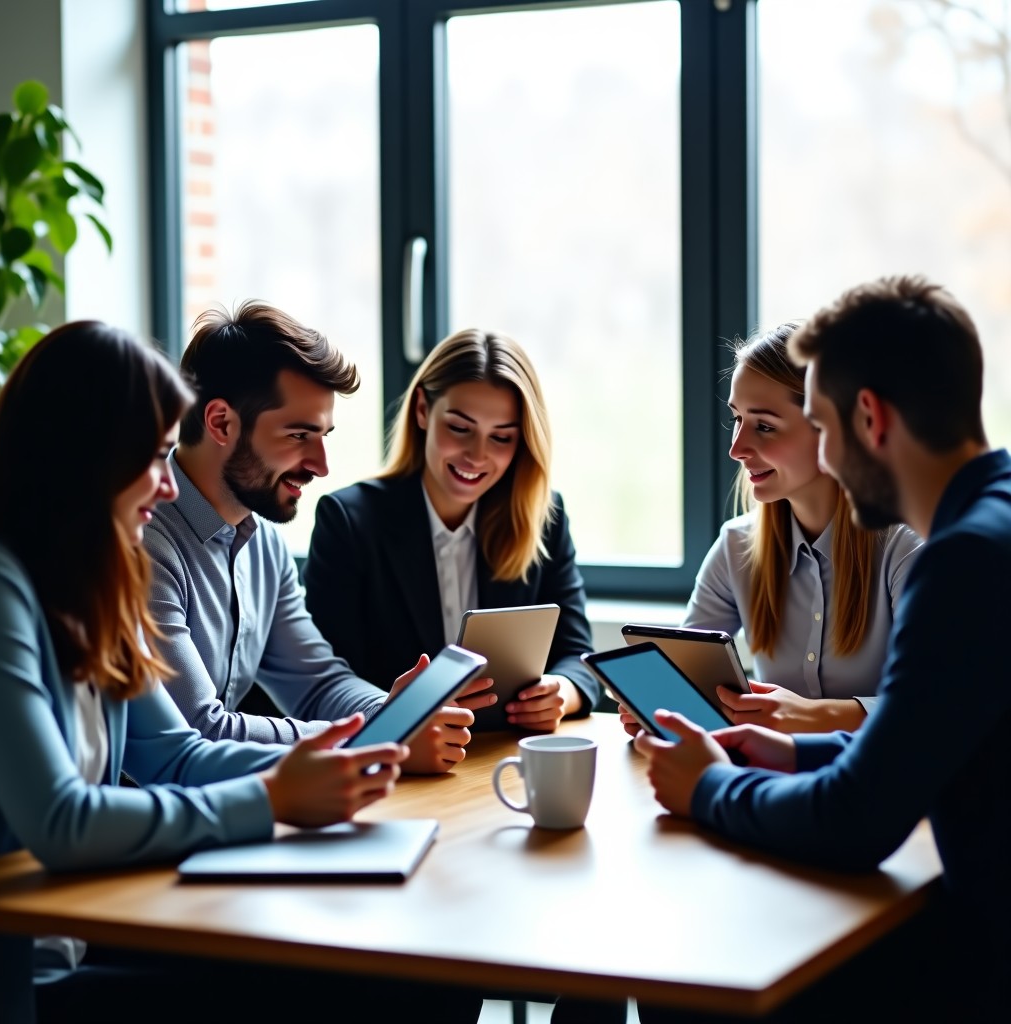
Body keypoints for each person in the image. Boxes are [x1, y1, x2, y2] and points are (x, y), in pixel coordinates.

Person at [0, 321, 480, 1024]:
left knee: (426, 972)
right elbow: (62, 818)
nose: (163, 487)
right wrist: (279, 795)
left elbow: (174, 752)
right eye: (153, 457)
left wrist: (356, 743)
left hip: (90, 926)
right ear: (85, 457)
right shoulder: (3, 585)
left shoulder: (97, 580)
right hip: (29, 975)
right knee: (384, 983)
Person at [634, 275, 1010, 1020]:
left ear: (869, 418)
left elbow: (857, 822)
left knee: (693, 983)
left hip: (981, 961)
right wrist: (796, 753)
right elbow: (934, 744)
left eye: (822, 425)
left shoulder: (961, 561)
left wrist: (708, 787)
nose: (829, 459)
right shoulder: (993, 522)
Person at [143, 302, 492, 773]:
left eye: (325, 435)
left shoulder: (263, 542)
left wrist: (396, 716)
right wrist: (374, 736)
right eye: (298, 435)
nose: (322, 465)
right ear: (221, 422)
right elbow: (200, 731)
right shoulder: (144, 542)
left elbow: (317, 684)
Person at [623, 324, 921, 736]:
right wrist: (661, 704)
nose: (736, 448)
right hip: (771, 782)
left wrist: (816, 716)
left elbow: (940, 704)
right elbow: (684, 669)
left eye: (764, 426)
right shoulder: (737, 546)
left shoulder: (908, 548)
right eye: (737, 419)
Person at [304, 327, 601, 732]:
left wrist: (561, 693)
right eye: (460, 428)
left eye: (501, 437)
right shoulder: (349, 521)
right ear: (423, 409)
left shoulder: (542, 517)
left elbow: (577, 654)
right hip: (398, 758)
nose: (477, 456)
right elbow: (328, 680)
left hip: (503, 754)